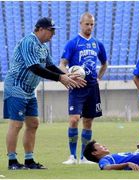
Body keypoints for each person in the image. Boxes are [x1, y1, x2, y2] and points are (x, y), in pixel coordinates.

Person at [3, 17, 86, 170]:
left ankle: (29, 160)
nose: (53, 34)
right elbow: (34, 67)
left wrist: (66, 76)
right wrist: (60, 78)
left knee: (33, 123)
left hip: (29, 89)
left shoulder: (43, 47)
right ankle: (12, 161)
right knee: (16, 124)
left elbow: (50, 66)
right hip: (16, 86)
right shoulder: (29, 42)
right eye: (51, 30)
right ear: (40, 29)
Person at [59, 12, 107, 165]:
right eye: (87, 24)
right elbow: (62, 64)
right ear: (80, 24)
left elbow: (104, 63)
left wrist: (99, 78)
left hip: (92, 87)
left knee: (88, 121)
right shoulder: (73, 43)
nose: (89, 27)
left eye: (92, 24)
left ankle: (84, 157)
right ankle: (72, 156)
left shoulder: (98, 44)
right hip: (77, 87)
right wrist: (69, 77)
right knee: (74, 120)